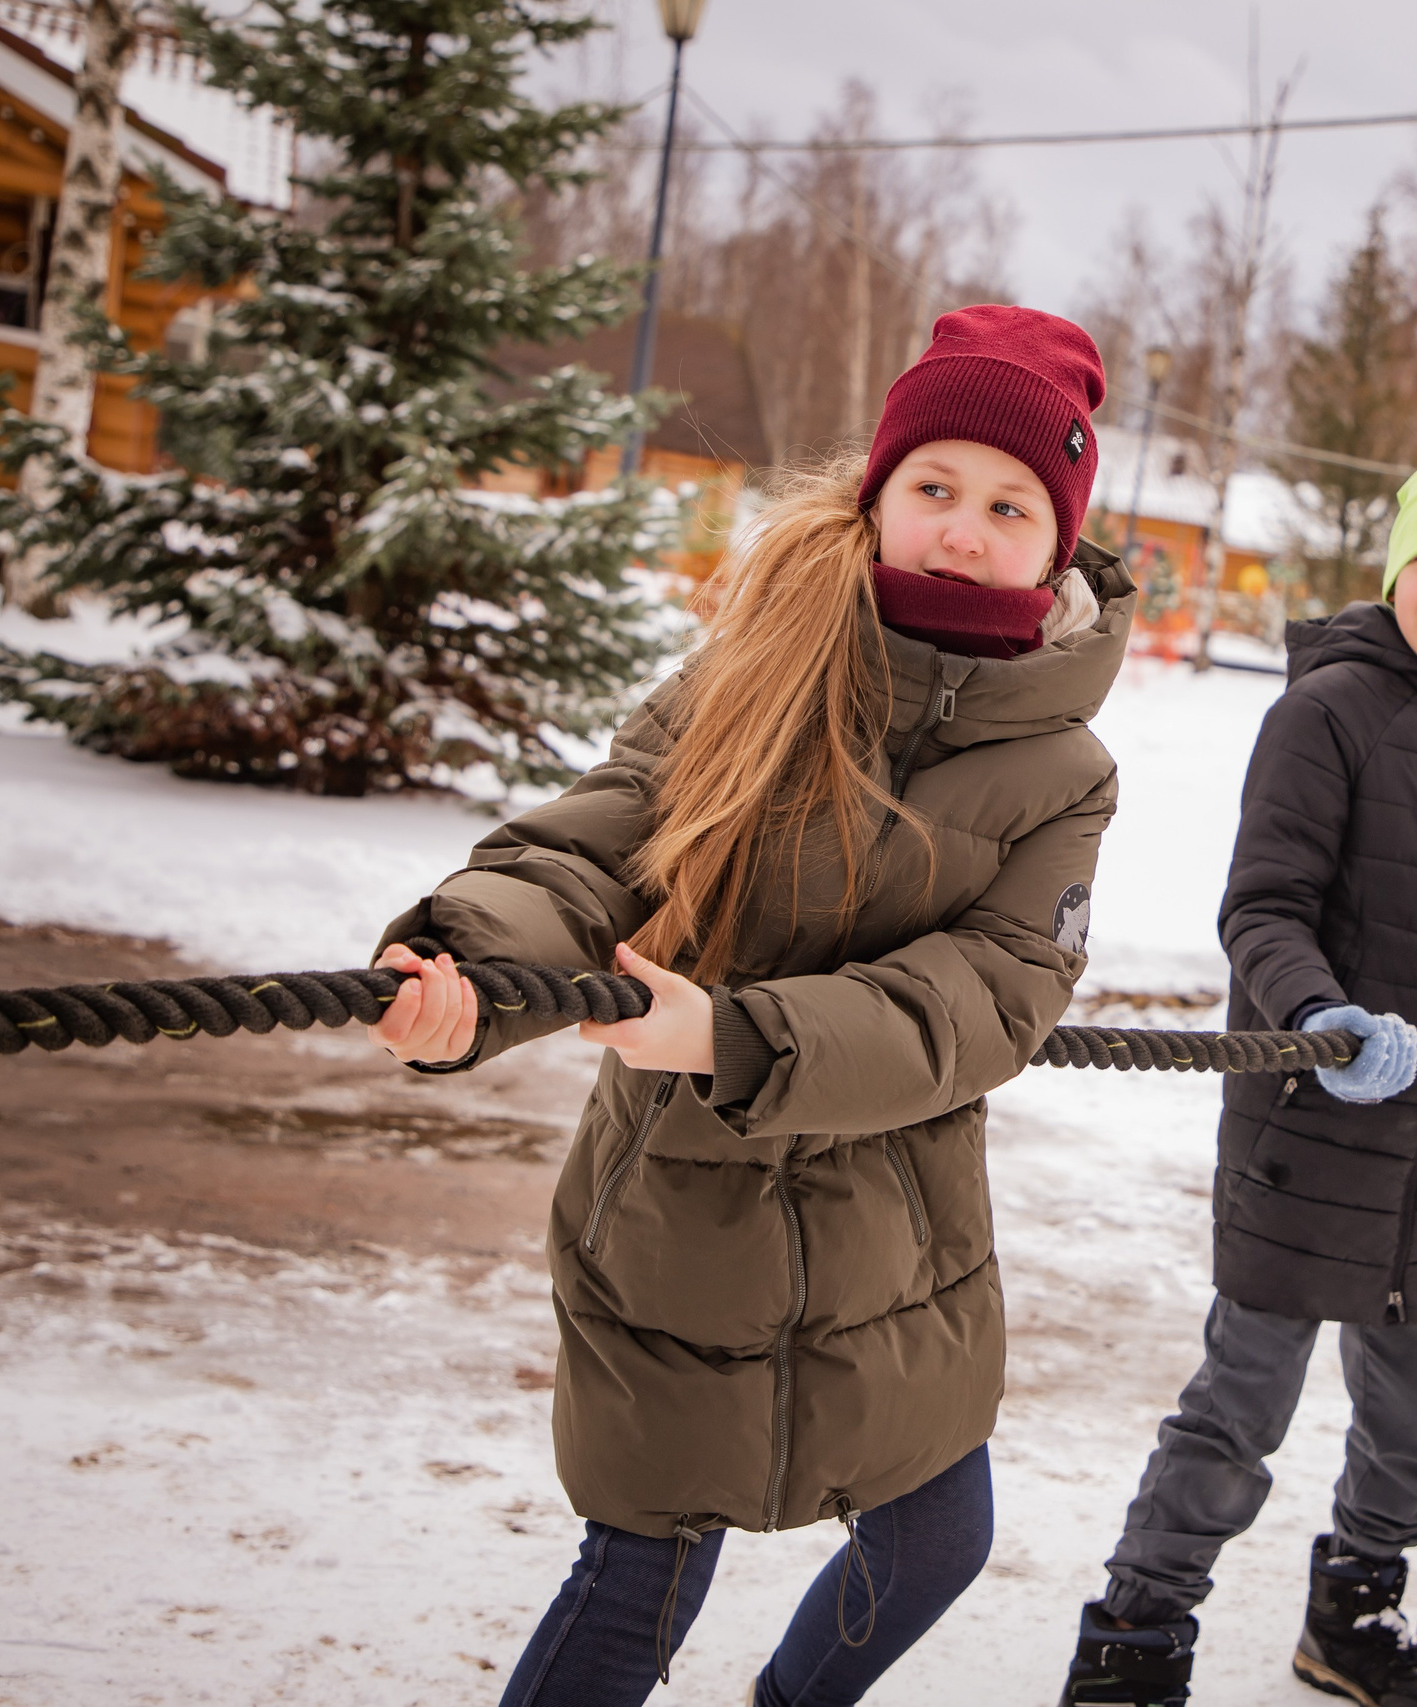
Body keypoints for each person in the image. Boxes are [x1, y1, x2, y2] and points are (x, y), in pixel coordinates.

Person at [365, 305, 1135, 1707]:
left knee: (936, 1536)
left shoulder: (1064, 768)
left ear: (1059, 539)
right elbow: (592, 846)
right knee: (642, 1573)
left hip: (896, 1227)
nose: (964, 528)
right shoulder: (757, 663)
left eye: (1010, 503)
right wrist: (471, 969)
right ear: (880, 493)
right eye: (936, 488)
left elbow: (992, 992)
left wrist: (735, 1033)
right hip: (681, 1210)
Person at [1060, 425, 1417, 1707]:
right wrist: (1324, 1017)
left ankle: (1355, 1608)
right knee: (1242, 1406)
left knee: (1416, 1423)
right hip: (1311, 1122)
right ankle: (1136, 1632)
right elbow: (1262, 909)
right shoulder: (1328, 710)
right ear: (1395, 565)